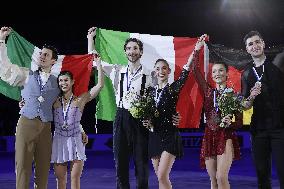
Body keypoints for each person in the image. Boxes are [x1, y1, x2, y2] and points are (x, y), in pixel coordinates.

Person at [87, 27, 180, 189]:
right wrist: (90, 39)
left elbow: (163, 94)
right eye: (129, 48)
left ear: (141, 52)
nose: (132, 51)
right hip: (121, 118)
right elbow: (94, 60)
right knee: (120, 162)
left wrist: (174, 114)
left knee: (141, 163)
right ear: (125, 52)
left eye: (135, 48)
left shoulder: (150, 74)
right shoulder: (117, 70)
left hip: (141, 120)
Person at [0, 26, 86, 189]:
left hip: (46, 128)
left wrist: (80, 129)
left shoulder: (58, 83)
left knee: (43, 170)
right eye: (41, 54)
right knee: (23, 168)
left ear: (54, 60)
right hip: (26, 123)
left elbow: (67, 108)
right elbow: (5, 69)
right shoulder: (26, 74)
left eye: (46, 54)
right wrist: (1, 41)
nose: (42, 56)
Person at [141, 35, 207, 189]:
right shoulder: (149, 92)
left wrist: (195, 50)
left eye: (164, 68)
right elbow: (146, 112)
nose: (161, 71)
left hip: (170, 134)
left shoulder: (173, 89)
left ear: (169, 70)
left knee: (163, 175)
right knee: (160, 178)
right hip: (154, 135)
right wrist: (146, 120)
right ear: (154, 72)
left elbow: (186, 70)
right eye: (158, 69)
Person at [193, 51, 259, 188]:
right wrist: (197, 50)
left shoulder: (234, 95)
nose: (217, 73)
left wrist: (232, 123)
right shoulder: (208, 92)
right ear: (211, 75)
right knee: (213, 180)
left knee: (221, 177)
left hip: (226, 136)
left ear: (227, 73)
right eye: (214, 71)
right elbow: (195, 70)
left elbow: (240, 122)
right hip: (209, 137)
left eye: (221, 70)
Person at [51, 54, 103, 189]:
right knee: (60, 180)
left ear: (73, 81)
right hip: (59, 140)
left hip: (75, 140)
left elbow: (100, 85)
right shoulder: (54, 101)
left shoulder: (81, 99)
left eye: (66, 80)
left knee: (75, 179)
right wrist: (23, 103)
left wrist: (99, 64)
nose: (63, 83)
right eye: (61, 81)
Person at [241, 31, 284, 189]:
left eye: (257, 42)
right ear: (247, 49)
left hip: (280, 127)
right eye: (250, 44)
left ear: (263, 43)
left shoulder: (278, 64)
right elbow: (245, 105)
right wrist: (251, 96)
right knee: (262, 175)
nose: (255, 46)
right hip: (259, 130)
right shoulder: (246, 73)